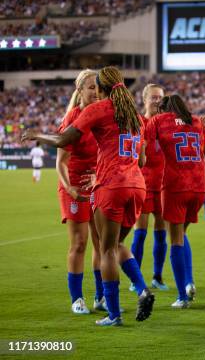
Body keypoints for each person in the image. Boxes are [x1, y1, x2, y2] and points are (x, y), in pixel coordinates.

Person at [22, 66, 155, 326]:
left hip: (110, 186)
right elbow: (142, 158)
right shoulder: (135, 116)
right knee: (115, 245)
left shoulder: (97, 110)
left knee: (105, 249)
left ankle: (114, 314)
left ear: (102, 87)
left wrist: (38, 135)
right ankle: (142, 289)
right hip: (137, 186)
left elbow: (63, 140)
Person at [145, 94, 205, 308]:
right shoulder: (198, 122)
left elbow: (143, 148)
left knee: (175, 241)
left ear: (164, 109)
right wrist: (204, 180)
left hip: (175, 187)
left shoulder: (158, 120)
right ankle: (189, 282)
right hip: (199, 188)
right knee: (181, 235)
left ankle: (183, 297)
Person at [56, 69, 104, 314]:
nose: (95, 91)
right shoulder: (73, 119)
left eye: (98, 86)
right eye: (90, 87)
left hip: (100, 185)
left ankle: (100, 296)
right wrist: (70, 188)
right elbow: (60, 161)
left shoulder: (105, 116)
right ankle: (77, 299)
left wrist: (99, 175)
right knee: (80, 243)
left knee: (100, 243)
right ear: (80, 91)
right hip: (74, 186)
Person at [130, 84, 170, 291]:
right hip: (143, 184)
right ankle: (135, 279)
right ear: (144, 99)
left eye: (160, 98)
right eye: (153, 97)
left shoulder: (167, 123)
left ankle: (157, 276)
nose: (157, 101)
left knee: (161, 233)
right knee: (140, 232)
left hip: (163, 185)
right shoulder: (138, 122)